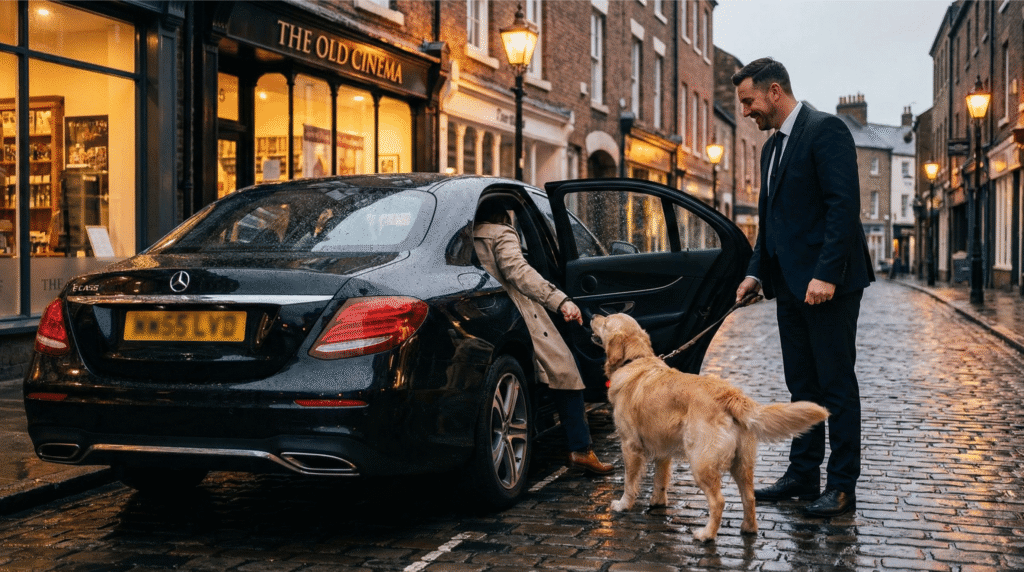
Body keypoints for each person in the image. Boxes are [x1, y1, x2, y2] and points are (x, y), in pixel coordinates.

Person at [732, 57, 875, 517]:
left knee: (835, 387)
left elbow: (841, 208)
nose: (746, 111)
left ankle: (841, 485)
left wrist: (827, 274)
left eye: (749, 101)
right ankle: (802, 475)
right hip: (791, 288)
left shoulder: (825, 130)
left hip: (828, 286)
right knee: (802, 386)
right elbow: (770, 221)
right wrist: (755, 272)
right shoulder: (771, 149)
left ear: (775, 92)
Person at [473, 201, 613, 475]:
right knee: (566, 370)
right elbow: (518, 271)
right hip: (523, 311)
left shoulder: (469, 235)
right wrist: (560, 300)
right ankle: (580, 449)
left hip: (491, 316)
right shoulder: (501, 233)